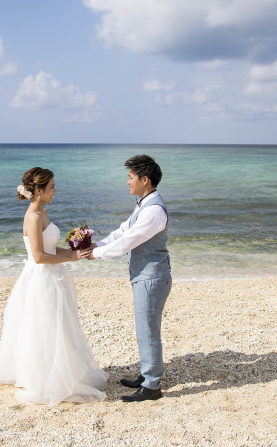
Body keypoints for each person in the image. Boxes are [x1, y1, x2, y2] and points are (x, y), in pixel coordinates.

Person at [0, 167, 107, 405]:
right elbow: (40, 257)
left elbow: (52, 250)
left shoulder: (44, 212)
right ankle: (43, 379)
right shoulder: (32, 217)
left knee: (59, 325)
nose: (55, 190)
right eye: (51, 187)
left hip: (55, 276)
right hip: (41, 279)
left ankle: (64, 371)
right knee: (43, 327)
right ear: (39, 191)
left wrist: (78, 251)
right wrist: (72, 258)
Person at [89, 155, 171, 402]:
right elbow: (123, 230)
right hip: (144, 276)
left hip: (152, 277)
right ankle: (147, 376)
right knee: (143, 328)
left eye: (130, 177)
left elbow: (129, 241)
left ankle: (152, 386)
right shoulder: (144, 203)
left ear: (144, 179)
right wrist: (98, 244)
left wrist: (96, 254)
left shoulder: (154, 210)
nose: (127, 182)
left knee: (148, 330)